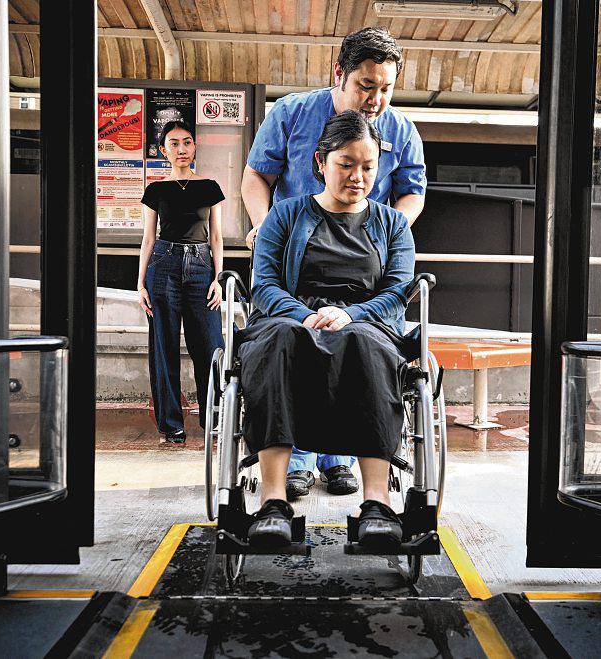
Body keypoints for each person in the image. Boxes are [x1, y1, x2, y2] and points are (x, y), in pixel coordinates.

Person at [241, 26, 427, 500]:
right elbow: (257, 176)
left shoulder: (400, 131)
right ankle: (293, 466)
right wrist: (267, 229)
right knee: (288, 337)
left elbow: (412, 193)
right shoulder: (293, 113)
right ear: (339, 74)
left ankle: (344, 460)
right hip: (295, 260)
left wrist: (388, 233)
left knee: (362, 341)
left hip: (363, 267)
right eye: (367, 85)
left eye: (386, 88)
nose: (376, 99)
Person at [240, 110, 415, 547]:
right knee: (277, 340)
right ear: (321, 162)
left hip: (365, 321)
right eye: (346, 164)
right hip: (291, 316)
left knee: (366, 344)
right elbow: (263, 285)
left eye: (368, 167)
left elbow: (398, 292)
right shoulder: (284, 215)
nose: (358, 176)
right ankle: (273, 501)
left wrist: (351, 314)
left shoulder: (393, 224)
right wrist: (303, 315)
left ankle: (377, 503)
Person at [138, 120, 225, 444]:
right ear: (164, 150)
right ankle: (172, 425)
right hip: (163, 266)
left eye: (187, 142)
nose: (182, 149)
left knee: (210, 346)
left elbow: (216, 237)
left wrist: (217, 278)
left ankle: (215, 420)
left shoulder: (210, 187)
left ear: (194, 147)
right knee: (164, 347)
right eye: (174, 143)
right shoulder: (156, 190)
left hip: (202, 268)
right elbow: (148, 239)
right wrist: (141, 284)